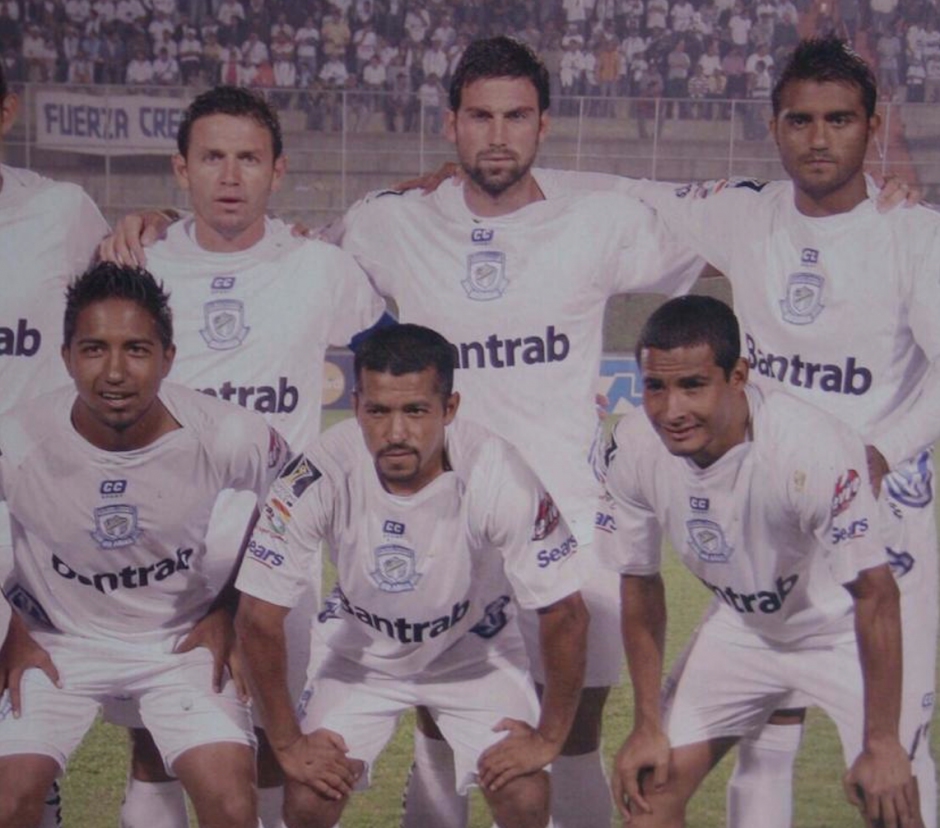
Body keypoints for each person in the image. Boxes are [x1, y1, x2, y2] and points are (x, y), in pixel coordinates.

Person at [106, 37, 703, 828]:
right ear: (450, 125)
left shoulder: (596, 223)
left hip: (563, 518)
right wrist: (167, 224)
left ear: (544, 125)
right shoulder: (388, 224)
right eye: (480, 117)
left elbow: (728, 237)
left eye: (516, 117)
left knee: (572, 741)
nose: (497, 136)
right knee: (437, 727)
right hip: (436, 517)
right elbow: (266, 253)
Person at [508, 34, 939, 828]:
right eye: (801, 120)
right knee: (695, 769)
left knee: (892, 792)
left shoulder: (914, 236)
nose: (818, 138)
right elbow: (630, 190)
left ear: (873, 129)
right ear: (774, 127)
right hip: (763, 532)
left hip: (881, 547)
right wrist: (498, 174)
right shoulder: (747, 214)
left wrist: (884, 448)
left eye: (840, 120)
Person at [98, 85, 387, 828]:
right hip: (164, 548)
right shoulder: (139, 268)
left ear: (278, 171)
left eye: (249, 159)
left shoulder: (319, 268)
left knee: (269, 737)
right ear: (180, 169)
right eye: (213, 158)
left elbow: (393, 356)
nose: (230, 177)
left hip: (275, 555)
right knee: (154, 745)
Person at [233, 323, 589, 828]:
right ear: (356, 406)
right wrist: (288, 744)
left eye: (415, 411)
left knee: (525, 793)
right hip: (360, 657)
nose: (395, 432)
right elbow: (256, 617)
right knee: (309, 797)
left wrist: (549, 738)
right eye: (378, 411)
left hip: (474, 654)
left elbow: (566, 612)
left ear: (449, 408)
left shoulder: (495, 470)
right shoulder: (319, 472)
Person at [599, 295, 920, 828]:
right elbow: (639, 582)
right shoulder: (634, 446)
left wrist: (883, 742)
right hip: (743, 630)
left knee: (895, 802)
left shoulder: (808, 448)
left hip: (842, 630)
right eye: (655, 387)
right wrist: (645, 723)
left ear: (738, 375)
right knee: (649, 800)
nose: (671, 410)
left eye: (693, 386)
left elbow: (875, 594)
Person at [0, 262, 287, 828]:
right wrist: (11, 628)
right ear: (65, 358)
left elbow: (293, 498)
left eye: (135, 349)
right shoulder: (17, 440)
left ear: (168, 357)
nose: (114, 372)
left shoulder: (225, 433)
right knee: (7, 801)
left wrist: (231, 606)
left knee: (231, 804)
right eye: (93, 349)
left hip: (176, 644)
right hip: (61, 643)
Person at [0, 62, 110, 828]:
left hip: (30, 520)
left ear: (7, 110)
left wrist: (159, 214)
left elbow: (144, 269)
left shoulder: (60, 211)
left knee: (25, 732)